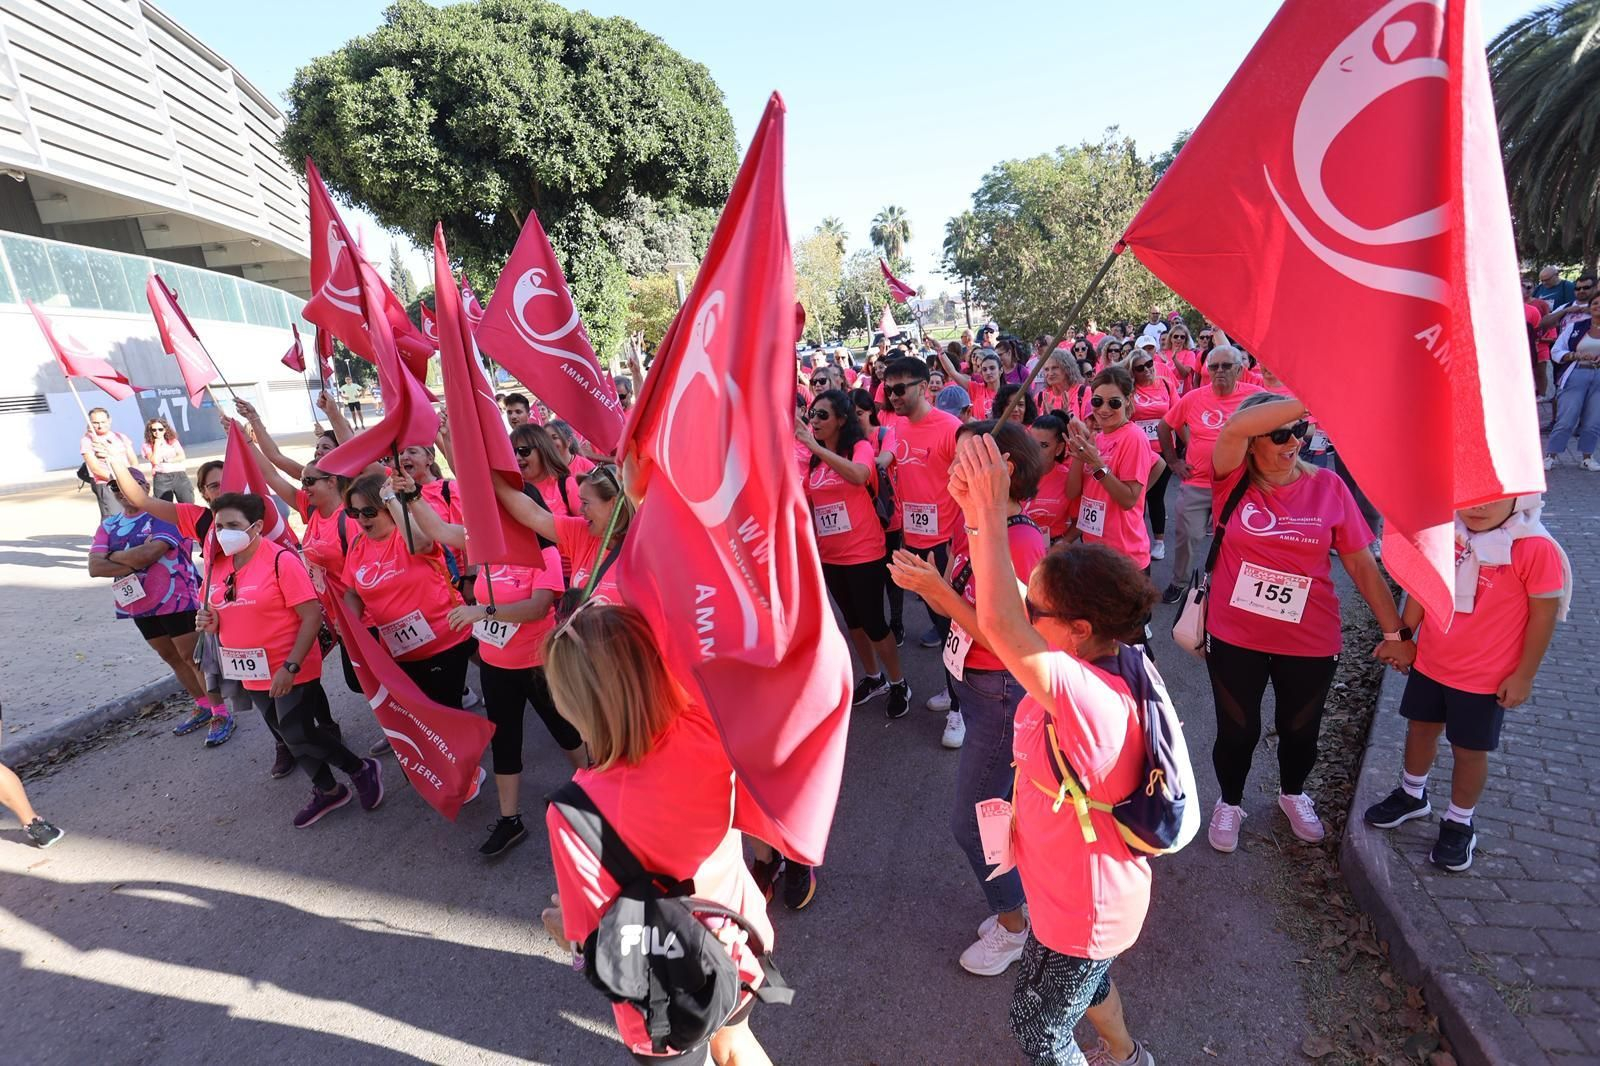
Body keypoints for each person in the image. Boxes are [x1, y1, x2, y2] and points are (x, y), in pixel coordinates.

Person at [955, 433, 1158, 1066]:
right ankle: (1127, 1056)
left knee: (1038, 1028)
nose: (1026, 613)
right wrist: (976, 517)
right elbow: (1008, 605)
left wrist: (990, 511)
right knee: (1086, 988)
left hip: (1084, 905)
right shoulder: (1094, 660)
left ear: (1078, 628)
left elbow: (999, 623)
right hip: (1062, 886)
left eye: (1037, 609)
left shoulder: (1086, 694)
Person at [541, 605, 777, 1065]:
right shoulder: (708, 727)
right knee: (736, 1046)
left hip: (663, 995)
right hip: (737, 945)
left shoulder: (572, 813)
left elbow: (594, 941)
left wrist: (561, 931)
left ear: (576, 706)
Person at [1203, 394, 1407, 852]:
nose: (1294, 442)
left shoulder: (1328, 486)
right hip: (1235, 634)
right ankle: (1229, 801)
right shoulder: (1230, 480)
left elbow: (1361, 565)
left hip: (1310, 637)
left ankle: (1293, 793)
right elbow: (1233, 427)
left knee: (1300, 729)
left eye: (1300, 430)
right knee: (1237, 730)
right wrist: (1316, 392)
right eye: (1280, 434)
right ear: (1253, 442)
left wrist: (1396, 633)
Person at [889, 420, 1046, 971]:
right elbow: (969, 606)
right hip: (976, 687)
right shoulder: (978, 524)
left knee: (974, 819)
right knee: (994, 811)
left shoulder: (1018, 541)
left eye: (964, 461)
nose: (950, 469)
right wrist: (931, 584)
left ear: (1001, 470)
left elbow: (1008, 637)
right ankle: (1018, 904)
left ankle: (1015, 925)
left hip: (1000, 692)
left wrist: (935, 590)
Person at [1363, 494, 1566, 872]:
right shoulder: (1446, 534)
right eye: (1471, 496)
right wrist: (1403, 638)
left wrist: (1524, 676)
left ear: (1519, 497)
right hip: (1432, 663)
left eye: (1494, 498)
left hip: (1484, 677)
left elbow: (1544, 614)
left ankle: (1459, 821)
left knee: (1469, 751)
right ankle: (1412, 794)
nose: (1479, 507)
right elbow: (1423, 588)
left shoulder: (1533, 547)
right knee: (1420, 729)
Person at [403, 490, 579, 857]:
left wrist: (483, 612)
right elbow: (438, 530)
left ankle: (591, 793)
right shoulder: (485, 546)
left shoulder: (544, 552)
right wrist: (412, 496)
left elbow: (538, 608)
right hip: (496, 666)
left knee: (566, 732)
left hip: (538, 664)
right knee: (504, 741)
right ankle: (509, 819)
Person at [198, 492, 381, 827]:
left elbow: (311, 616)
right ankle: (328, 790)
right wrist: (210, 622)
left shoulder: (280, 560)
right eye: (219, 526)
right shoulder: (216, 565)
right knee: (285, 733)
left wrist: (290, 667)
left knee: (297, 731)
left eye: (233, 525)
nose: (224, 533)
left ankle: (361, 769)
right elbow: (218, 612)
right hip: (250, 668)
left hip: (290, 663)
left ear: (256, 526)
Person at [88, 468, 224, 742]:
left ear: (145, 487)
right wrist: (132, 557)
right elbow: (94, 567)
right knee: (170, 657)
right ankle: (202, 705)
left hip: (177, 596)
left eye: (129, 484)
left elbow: (150, 554)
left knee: (193, 657)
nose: (121, 491)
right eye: (115, 487)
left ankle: (220, 712)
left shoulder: (164, 515)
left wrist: (113, 555)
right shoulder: (109, 525)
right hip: (137, 602)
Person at [799, 389, 910, 718]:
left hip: (864, 552)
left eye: (822, 415)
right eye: (812, 414)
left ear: (841, 420)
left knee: (874, 623)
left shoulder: (859, 448)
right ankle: (874, 678)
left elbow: (860, 474)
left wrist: (815, 447)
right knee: (853, 623)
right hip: (830, 556)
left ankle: (899, 682)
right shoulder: (813, 461)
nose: (814, 420)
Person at [340, 473, 474, 711]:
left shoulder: (410, 533)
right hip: (399, 652)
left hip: (444, 642)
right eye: (354, 512)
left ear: (388, 508)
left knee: (445, 713)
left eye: (368, 512)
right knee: (421, 716)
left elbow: (422, 543)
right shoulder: (357, 544)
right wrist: (349, 620)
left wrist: (392, 498)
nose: (361, 519)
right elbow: (352, 592)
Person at [879, 356, 963, 691]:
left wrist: (960, 543)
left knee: (952, 627)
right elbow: (885, 464)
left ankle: (960, 704)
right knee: (938, 622)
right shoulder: (896, 428)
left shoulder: (950, 428)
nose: (893, 396)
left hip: (946, 545)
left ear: (924, 387)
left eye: (900, 389)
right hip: (912, 541)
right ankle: (954, 693)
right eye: (888, 390)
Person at [1155, 344, 1264, 603]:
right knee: (1187, 536)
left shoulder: (1256, 397)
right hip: (1197, 482)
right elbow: (1164, 426)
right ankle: (1179, 582)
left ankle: (1230, 585)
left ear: (1239, 370)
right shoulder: (1194, 398)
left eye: (1226, 366)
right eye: (1214, 367)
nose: (1220, 371)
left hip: (1239, 485)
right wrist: (1173, 461)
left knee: (1236, 538)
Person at [1065, 367, 1161, 575]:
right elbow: (1072, 493)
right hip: (1093, 549)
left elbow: (1128, 500)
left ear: (1127, 400)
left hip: (1124, 556)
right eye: (1097, 401)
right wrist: (1080, 453)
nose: (1104, 409)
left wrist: (1097, 464)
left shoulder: (1133, 437)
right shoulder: (1097, 438)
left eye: (1114, 402)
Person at [497, 462, 633, 607]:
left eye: (585, 503)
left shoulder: (642, 549)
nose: (580, 510)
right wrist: (492, 476)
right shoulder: (582, 532)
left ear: (613, 504)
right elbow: (533, 514)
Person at [855, 388, 906, 646]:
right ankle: (876, 623)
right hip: (860, 520)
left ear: (870, 412)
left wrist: (857, 465)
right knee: (869, 576)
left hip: (887, 518)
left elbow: (884, 460)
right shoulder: (845, 442)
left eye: (859, 413)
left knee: (891, 575)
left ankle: (897, 622)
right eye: (850, 414)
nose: (855, 419)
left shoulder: (885, 434)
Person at [1129, 351, 1178, 562]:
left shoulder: (1166, 384)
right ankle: (1136, 540)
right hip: (1137, 451)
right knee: (1137, 496)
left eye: (1149, 364)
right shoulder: (1129, 389)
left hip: (1163, 449)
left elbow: (1178, 414)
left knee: (1156, 496)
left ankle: (1159, 541)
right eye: (1140, 368)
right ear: (1132, 372)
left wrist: (1183, 452)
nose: (1147, 369)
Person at [1545, 291, 1600, 470]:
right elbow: (1556, 351)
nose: (1598, 307)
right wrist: (1574, 355)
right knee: (1566, 418)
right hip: (1576, 374)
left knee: (1593, 420)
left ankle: (1587, 457)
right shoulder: (1576, 327)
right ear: (1590, 308)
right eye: (1595, 303)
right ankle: (1551, 456)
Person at [80, 407, 139, 519]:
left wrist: (135, 476)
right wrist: (117, 480)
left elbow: (133, 459)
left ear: (109, 420)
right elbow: (95, 469)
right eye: (95, 423)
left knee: (134, 513)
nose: (100, 426)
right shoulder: (87, 441)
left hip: (128, 480)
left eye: (103, 422)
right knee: (114, 517)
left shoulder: (120, 437)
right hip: (107, 483)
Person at [1024, 414, 1075, 543]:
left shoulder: (1068, 479)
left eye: (1044, 445)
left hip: (1053, 548)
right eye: (1032, 443)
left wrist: (1063, 543)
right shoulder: (1014, 474)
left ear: (1059, 449)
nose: (1035, 451)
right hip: (1018, 546)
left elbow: (1079, 522)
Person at [141, 417, 194, 503]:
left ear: (165, 430)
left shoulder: (172, 441)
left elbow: (181, 456)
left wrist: (168, 460)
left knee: (188, 503)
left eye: (160, 429)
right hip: (161, 477)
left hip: (179, 475)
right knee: (164, 506)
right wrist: (156, 445)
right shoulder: (147, 445)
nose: (157, 432)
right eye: (154, 430)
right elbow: (154, 461)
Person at [940, 347, 1001, 419]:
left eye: (992, 368)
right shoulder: (975, 388)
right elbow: (952, 372)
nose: (988, 372)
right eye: (984, 369)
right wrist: (940, 351)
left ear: (1001, 370)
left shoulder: (1009, 391)